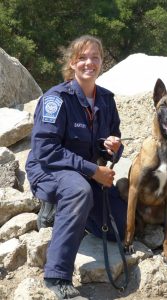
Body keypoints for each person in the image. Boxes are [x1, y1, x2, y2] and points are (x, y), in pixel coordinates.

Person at [25, 35, 127, 300]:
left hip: (84, 170)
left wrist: (112, 148)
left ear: (102, 62)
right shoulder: (55, 99)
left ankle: (70, 214)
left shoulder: (106, 100)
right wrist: (94, 172)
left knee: (120, 226)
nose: (89, 63)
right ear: (72, 63)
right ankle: (57, 275)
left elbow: (111, 144)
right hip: (49, 168)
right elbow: (45, 150)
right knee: (79, 191)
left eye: (95, 57)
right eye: (82, 57)